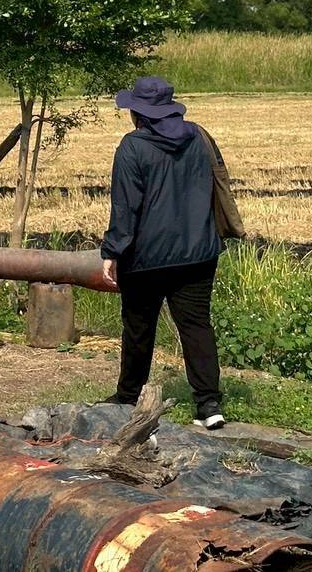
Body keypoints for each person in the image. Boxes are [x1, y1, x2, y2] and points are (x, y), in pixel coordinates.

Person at [100, 76, 226, 430]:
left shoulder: (132, 148)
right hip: (199, 252)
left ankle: (127, 397)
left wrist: (111, 252)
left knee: (139, 328)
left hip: (146, 258)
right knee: (197, 326)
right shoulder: (198, 138)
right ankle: (209, 404)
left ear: (138, 113)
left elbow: (125, 210)